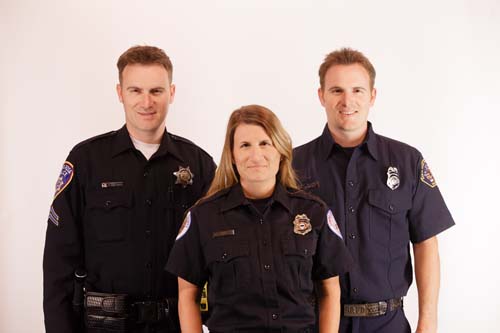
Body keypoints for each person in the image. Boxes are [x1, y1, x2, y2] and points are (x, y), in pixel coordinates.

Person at [43, 45, 216, 333]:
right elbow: (58, 263)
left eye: (156, 91)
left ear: (171, 93)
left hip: (175, 325)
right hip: (105, 326)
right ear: (120, 93)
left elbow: (215, 255)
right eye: (135, 90)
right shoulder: (86, 161)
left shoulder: (199, 165)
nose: (146, 102)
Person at [293, 48, 455, 333]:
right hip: (316, 323)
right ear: (321, 96)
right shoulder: (293, 165)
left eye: (357, 89)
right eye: (336, 90)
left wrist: (427, 321)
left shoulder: (407, 162)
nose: (347, 101)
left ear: (372, 95)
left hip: (388, 324)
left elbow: (426, 243)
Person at [166, 105, 353, 333]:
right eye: (245, 145)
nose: (256, 155)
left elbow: (330, 290)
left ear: (280, 150)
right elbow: (187, 294)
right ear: (232, 156)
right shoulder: (203, 217)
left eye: (265, 143)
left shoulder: (314, 212)